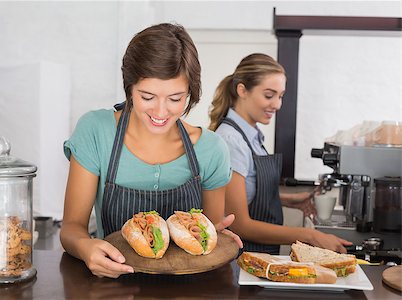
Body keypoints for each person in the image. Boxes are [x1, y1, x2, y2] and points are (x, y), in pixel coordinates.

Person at [61, 23, 242, 279]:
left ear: (190, 93)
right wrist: (85, 246)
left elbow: (209, 236)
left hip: (190, 290)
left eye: (175, 99)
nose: (160, 112)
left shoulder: (211, 149)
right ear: (130, 88)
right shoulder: (95, 131)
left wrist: (217, 237)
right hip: (113, 282)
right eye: (147, 97)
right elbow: (71, 228)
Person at [208, 53, 352, 255]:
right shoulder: (232, 141)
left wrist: (289, 199)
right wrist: (310, 235)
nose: (277, 104)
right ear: (242, 90)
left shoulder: (251, 135)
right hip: (238, 258)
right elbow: (240, 224)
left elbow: (247, 193)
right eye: (269, 95)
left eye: (280, 96)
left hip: (257, 255)